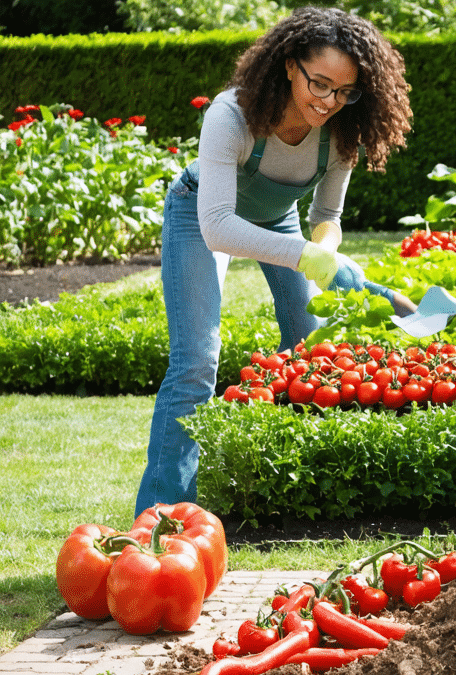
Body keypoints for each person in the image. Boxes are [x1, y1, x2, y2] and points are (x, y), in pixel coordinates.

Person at [135, 6, 415, 516]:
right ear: (290, 65)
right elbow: (217, 225)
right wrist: (304, 254)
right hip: (199, 215)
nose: (329, 102)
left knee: (309, 355)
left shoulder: (342, 134)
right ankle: (160, 516)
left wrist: (325, 251)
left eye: (345, 92)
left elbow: (326, 214)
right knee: (196, 362)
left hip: (278, 221)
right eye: (320, 84)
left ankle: (288, 493)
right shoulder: (231, 115)